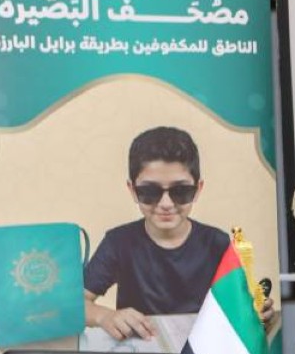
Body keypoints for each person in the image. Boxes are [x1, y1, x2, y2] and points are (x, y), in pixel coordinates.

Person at [84, 126, 269, 341]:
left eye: (180, 191)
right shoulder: (118, 242)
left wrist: (255, 311)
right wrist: (104, 316)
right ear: (132, 190)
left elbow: (239, 307)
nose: (166, 203)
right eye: (150, 191)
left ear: (198, 189)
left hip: (198, 353)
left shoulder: (216, 244)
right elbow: (76, 303)